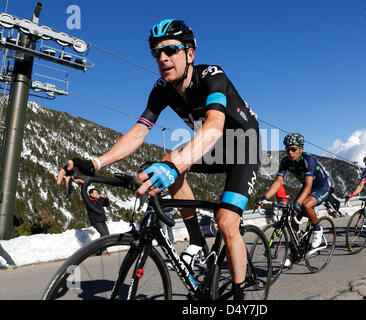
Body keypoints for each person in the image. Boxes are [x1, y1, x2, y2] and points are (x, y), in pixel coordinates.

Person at [57, 19, 260, 300]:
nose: (163, 58)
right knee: (168, 158)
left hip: (243, 147)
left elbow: (213, 126)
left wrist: (174, 166)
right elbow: (138, 133)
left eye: (171, 50)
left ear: (190, 54)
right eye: (156, 53)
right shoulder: (162, 88)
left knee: (226, 223)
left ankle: (239, 297)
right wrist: (95, 163)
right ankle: (197, 240)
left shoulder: (213, 76)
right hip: (211, 147)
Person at [257, 133, 330, 261]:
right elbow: (278, 182)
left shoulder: (308, 161)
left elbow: (308, 186)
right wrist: (264, 197)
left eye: (294, 149)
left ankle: (317, 229)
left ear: (301, 149)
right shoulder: (286, 162)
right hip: (308, 188)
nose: (290, 152)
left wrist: (298, 203)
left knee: (305, 205)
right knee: (293, 216)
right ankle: (295, 251)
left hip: (320, 187)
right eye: (288, 149)